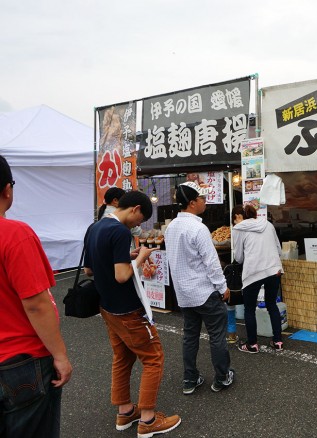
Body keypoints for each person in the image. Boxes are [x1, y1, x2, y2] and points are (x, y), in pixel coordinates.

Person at [83, 190, 181, 437]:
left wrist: (127, 257)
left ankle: (125, 411)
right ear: (135, 209)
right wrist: (142, 257)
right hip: (128, 309)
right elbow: (122, 275)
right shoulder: (119, 231)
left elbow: (89, 270)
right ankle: (148, 420)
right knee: (153, 358)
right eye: (141, 219)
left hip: (107, 308)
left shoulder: (94, 228)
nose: (139, 224)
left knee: (122, 357)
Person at [0, 154, 73, 438]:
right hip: (21, 360)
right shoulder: (15, 234)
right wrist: (60, 356)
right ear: (8, 190)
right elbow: (36, 304)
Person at [164, 182, 235, 395]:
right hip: (205, 291)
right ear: (193, 202)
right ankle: (222, 377)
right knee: (217, 336)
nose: (205, 202)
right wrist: (223, 287)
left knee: (190, 336)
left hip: (184, 293)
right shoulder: (198, 228)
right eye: (202, 198)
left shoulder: (171, 227)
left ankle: (190, 378)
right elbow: (211, 262)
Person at [231, 204, 284, 353]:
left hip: (253, 272)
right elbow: (278, 249)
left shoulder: (238, 229)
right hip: (274, 269)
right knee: (272, 304)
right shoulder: (268, 224)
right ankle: (278, 341)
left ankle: (252, 344)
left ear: (239, 216)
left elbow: (239, 258)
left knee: (249, 309)